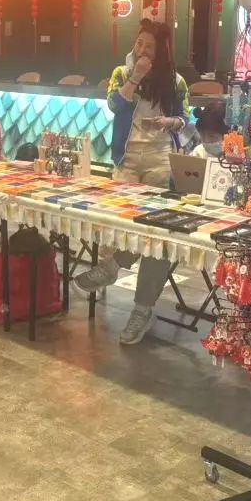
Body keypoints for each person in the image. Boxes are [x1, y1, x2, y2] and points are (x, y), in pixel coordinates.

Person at [75, 19, 191, 345]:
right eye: (139, 43)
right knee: (122, 222)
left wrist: (169, 121)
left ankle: (135, 300)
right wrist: (135, 77)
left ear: (161, 52)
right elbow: (115, 105)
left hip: (160, 157)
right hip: (126, 156)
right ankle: (112, 266)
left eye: (149, 47)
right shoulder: (121, 73)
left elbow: (186, 118)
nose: (142, 50)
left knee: (155, 231)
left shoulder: (175, 81)